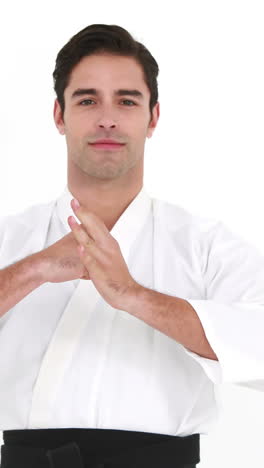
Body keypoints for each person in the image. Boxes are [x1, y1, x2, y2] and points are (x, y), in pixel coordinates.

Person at [0, 23, 264, 468]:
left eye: (126, 100)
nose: (107, 118)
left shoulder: (205, 245)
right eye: (87, 100)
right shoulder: (11, 239)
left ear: (153, 117)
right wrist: (34, 270)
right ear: (59, 116)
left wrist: (131, 295)